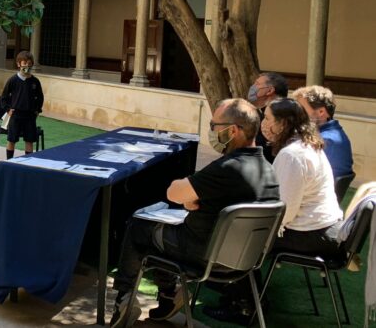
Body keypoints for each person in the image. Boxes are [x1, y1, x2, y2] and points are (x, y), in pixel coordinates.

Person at [109, 99, 279, 328]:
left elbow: (174, 193)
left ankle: (125, 300)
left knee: (140, 226)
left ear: (233, 130)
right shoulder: (269, 170)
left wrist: (190, 199)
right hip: (246, 261)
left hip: (203, 252)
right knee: (159, 236)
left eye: (214, 125)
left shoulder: (227, 168)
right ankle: (169, 297)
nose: (211, 131)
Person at [263, 98, 343, 256]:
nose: (263, 123)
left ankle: (238, 280)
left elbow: (286, 210)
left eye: (267, 118)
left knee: (242, 236)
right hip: (324, 229)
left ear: (283, 124)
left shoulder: (292, 154)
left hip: (312, 234)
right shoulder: (306, 144)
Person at [293, 85, 354, 179]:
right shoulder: (334, 133)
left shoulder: (325, 140)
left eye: (301, 110)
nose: (296, 114)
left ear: (321, 111)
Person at [0, 51, 43, 159]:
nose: (27, 65)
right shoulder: (13, 80)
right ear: (19, 64)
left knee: (29, 140)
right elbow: (4, 97)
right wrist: (8, 110)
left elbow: (40, 97)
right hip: (15, 116)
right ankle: (9, 162)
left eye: (29, 63)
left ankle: (27, 163)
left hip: (29, 116)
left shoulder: (35, 81)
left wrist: (37, 110)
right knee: (11, 140)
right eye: (24, 63)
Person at [247, 72, 288, 160]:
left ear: (270, 91)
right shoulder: (257, 113)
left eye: (257, 84)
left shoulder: (283, 116)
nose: (252, 87)